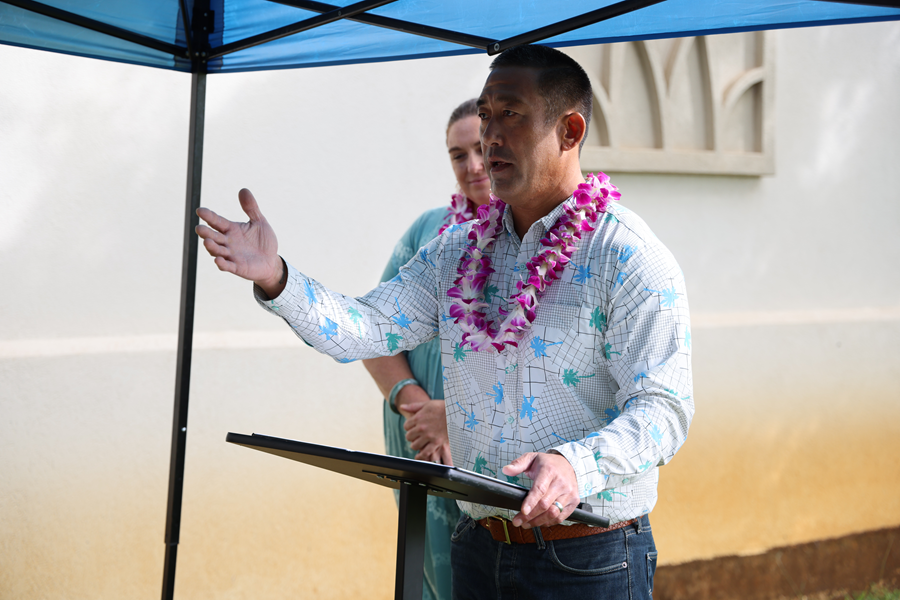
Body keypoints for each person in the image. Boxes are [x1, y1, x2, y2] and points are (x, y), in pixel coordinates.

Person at [196, 45, 693, 600]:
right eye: (485, 115)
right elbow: (367, 326)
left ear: (570, 130)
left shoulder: (628, 256)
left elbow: (665, 409)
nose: (490, 136)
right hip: (476, 547)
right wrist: (278, 278)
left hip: (587, 557)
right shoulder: (456, 249)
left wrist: (575, 465)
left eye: (512, 114)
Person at [360, 98, 491, 600]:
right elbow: (374, 331)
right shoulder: (428, 232)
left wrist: (455, 419)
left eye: (481, 149)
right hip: (414, 430)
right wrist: (417, 408)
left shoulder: (539, 238)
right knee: (428, 574)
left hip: (487, 446)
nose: (473, 166)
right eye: (458, 155)